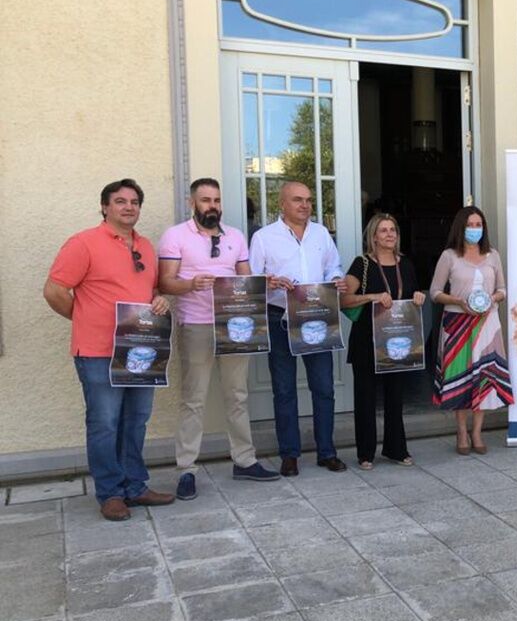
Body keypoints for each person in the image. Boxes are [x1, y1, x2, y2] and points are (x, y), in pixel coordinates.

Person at [43, 179, 175, 521]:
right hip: (98, 351)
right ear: (105, 207)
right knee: (104, 422)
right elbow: (55, 291)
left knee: (136, 421)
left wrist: (160, 300)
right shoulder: (83, 243)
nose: (128, 207)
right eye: (120, 201)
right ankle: (110, 492)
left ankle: (135, 486)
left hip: (140, 349)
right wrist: (84, 317)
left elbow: (153, 289)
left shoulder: (145, 246)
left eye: (134, 202)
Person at [158, 178, 280, 500]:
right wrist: (191, 285)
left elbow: (245, 279)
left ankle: (245, 460)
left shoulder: (236, 236)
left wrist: (262, 281)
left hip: (234, 324)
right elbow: (165, 284)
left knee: (237, 395)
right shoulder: (175, 236)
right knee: (193, 399)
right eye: (205, 200)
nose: (212, 206)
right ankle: (186, 469)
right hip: (196, 324)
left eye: (216, 200)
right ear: (192, 203)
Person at [249, 181, 348, 476]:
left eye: (308, 200)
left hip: (317, 316)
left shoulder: (320, 234)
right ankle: (289, 454)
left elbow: (333, 266)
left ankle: (326, 452)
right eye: (297, 200)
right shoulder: (264, 238)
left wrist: (337, 279)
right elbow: (252, 280)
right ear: (282, 204)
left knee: (324, 388)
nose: (304, 205)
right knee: (284, 390)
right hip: (280, 317)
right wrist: (269, 282)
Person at [341, 213, 425, 469]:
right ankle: (365, 452)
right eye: (383, 230)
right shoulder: (361, 264)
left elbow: (410, 296)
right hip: (367, 339)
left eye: (393, 230)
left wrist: (419, 297)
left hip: (397, 340)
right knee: (365, 397)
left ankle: (396, 449)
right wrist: (372, 297)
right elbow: (344, 300)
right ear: (373, 236)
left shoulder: (406, 264)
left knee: (395, 395)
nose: (389, 234)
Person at [429, 205, 514, 454]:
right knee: (460, 378)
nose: (474, 229)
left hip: (487, 326)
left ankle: (477, 432)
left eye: (479, 225)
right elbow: (435, 292)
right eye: (470, 225)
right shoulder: (449, 256)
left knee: (485, 377)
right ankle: (461, 432)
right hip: (457, 326)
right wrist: (458, 301)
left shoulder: (493, 255)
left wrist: (493, 299)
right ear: (460, 227)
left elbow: (503, 289)